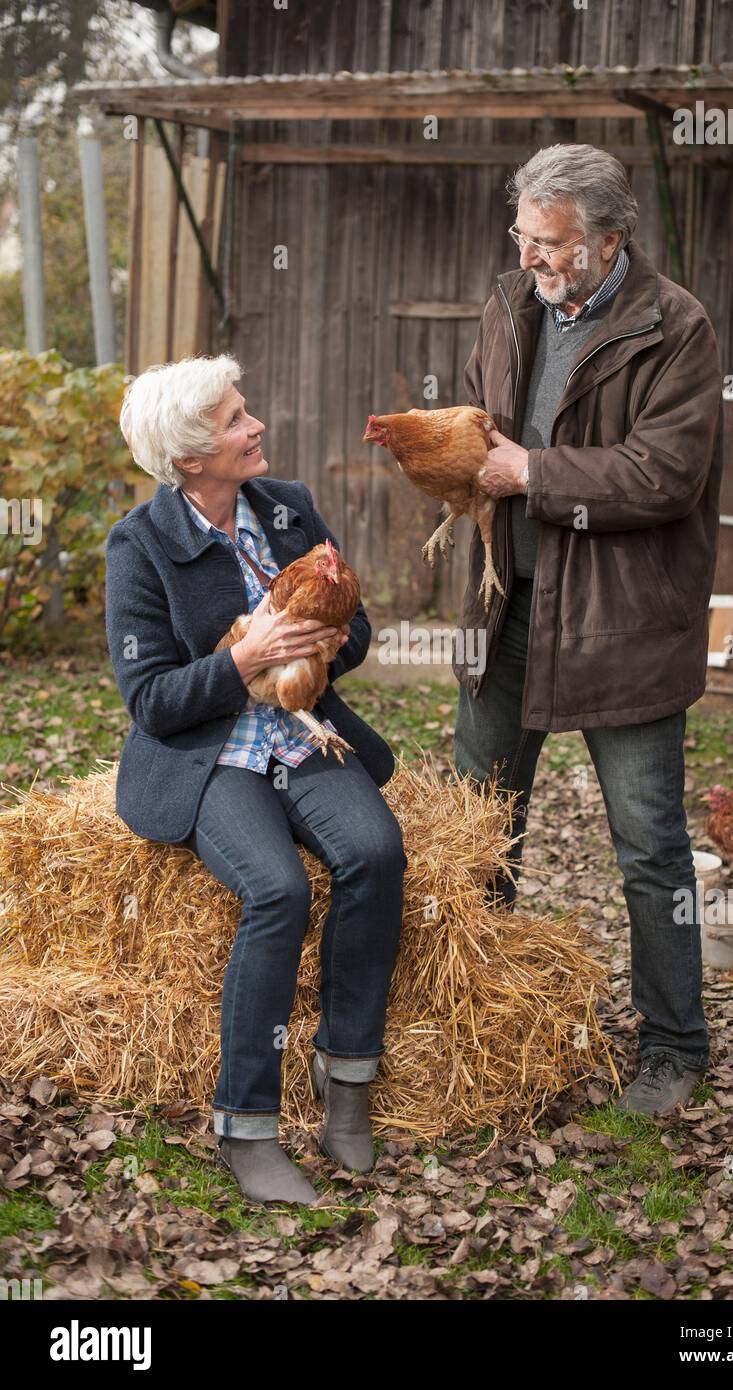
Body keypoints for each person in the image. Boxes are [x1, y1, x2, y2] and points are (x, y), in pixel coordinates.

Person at [452, 144, 723, 1118]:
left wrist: (532, 474)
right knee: (480, 826)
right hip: (508, 606)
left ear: (612, 239)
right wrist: (445, 446)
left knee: (649, 843)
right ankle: (474, 1015)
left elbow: (663, 476)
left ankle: (675, 1044)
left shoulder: (674, 326)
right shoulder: (512, 301)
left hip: (624, 623)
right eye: (525, 239)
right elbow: (491, 428)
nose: (536, 260)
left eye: (556, 245)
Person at [105, 354, 407, 1204]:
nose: (257, 425)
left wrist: (321, 639)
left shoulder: (287, 507)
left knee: (376, 852)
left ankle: (346, 1079)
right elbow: (152, 700)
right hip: (211, 753)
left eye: (246, 410)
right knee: (275, 889)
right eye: (237, 420)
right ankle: (247, 1126)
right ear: (191, 457)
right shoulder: (140, 547)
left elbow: (357, 627)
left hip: (304, 732)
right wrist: (242, 661)